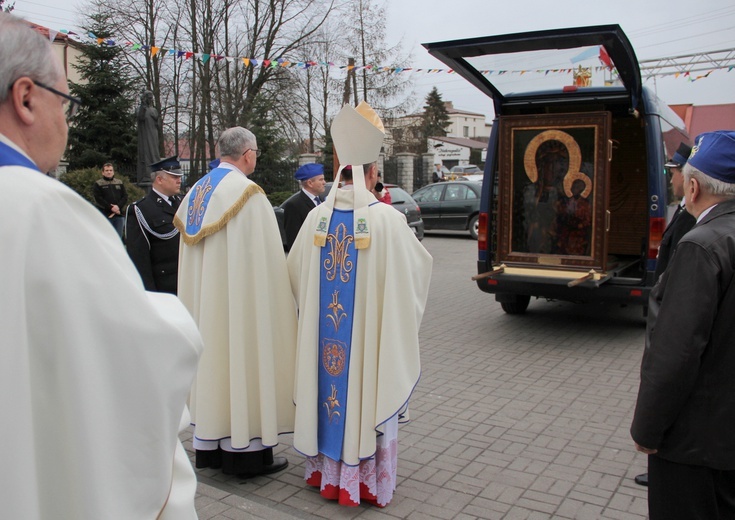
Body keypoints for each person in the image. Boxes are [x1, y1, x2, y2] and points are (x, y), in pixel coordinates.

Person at [0, 12, 202, 519]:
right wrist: (178, 320)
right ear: (25, 98)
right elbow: (135, 350)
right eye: (64, 103)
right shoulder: (42, 210)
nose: (67, 122)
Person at [287, 102, 432, 507]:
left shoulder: (317, 220)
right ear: (370, 173)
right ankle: (363, 482)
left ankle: (327, 475)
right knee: (366, 389)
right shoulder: (387, 220)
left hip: (325, 344)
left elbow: (295, 274)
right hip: (366, 346)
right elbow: (415, 273)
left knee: (326, 393)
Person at [174, 126, 297, 477]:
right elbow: (269, 262)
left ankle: (211, 448)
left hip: (205, 309)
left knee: (213, 364)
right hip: (241, 307)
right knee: (244, 361)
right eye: (255, 152)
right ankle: (247, 455)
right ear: (247, 155)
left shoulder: (197, 191)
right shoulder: (247, 193)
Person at [631, 130, 735, 519]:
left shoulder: (702, 245)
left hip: (695, 442)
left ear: (693, 187)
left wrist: (647, 429)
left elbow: (676, 352)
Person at [634, 143, 693, 488]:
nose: (670, 176)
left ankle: (663, 461)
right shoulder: (688, 214)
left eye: (674, 171)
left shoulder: (695, 226)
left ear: (691, 181)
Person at [125, 156, 183, 294]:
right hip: (164, 286)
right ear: (159, 179)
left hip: (184, 280)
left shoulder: (182, 203)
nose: (179, 180)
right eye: (174, 177)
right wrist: (149, 294)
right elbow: (139, 257)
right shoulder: (141, 209)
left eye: (179, 176)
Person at [281, 162, 326, 251]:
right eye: (321, 180)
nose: (324, 182)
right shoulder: (294, 205)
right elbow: (293, 239)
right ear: (310, 183)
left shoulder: (321, 200)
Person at [93, 162, 128, 239]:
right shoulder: (98, 184)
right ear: (103, 172)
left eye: (111, 170)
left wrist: (118, 207)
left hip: (118, 215)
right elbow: (98, 199)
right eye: (107, 170)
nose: (109, 172)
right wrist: (110, 208)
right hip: (106, 216)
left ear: (113, 172)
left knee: (118, 238)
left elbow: (125, 196)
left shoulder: (119, 182)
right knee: (107, 238)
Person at [137, 90, 160, 185]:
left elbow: (158, 123)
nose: (150, 100)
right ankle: (147, 175)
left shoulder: (154, 110)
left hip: (154, 135)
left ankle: (157, 172)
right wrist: (143, 106)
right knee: (146, 154)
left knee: (155, 154)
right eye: (148, 98)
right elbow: (140, 117)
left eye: (151, 98)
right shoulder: (141, 109)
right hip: (145, 136)